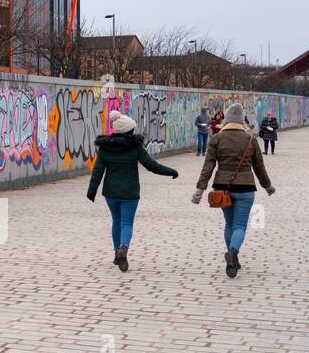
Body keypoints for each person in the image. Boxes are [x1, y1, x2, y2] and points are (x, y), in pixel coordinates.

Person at [87, 110, 179, 272]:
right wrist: (171, 171)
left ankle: (117, 254)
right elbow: (152, 166)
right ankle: (123, 247)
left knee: (116, 221)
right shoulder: (135, 147)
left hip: (111, 193)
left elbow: (97, 171)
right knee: (127, 223)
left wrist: (92, 191)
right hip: (130, 192)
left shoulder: (105, 148)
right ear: (129, 130)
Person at [192, 102, 275, 278]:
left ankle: (232, 258)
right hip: (245, 188)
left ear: (227, 120)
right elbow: (259, 166)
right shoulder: (250, 139)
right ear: (241, 121)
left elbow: (208, 166)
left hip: (222, 187)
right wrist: (267, 186)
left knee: (229, 224)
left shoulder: (216, 139)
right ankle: (233, 253)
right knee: (239, 226)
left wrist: (200, 189)